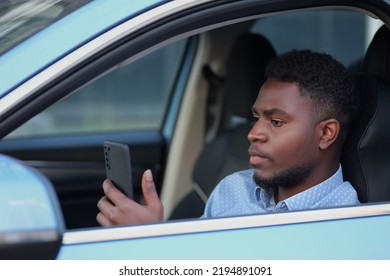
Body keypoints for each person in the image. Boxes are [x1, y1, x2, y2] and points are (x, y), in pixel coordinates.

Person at [96, 49, 360, 226]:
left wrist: (150, 245)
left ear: (326, 133)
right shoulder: (233, 189)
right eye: (256, 117)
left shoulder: (347, 225)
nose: (253, 133)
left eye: (276, 122)